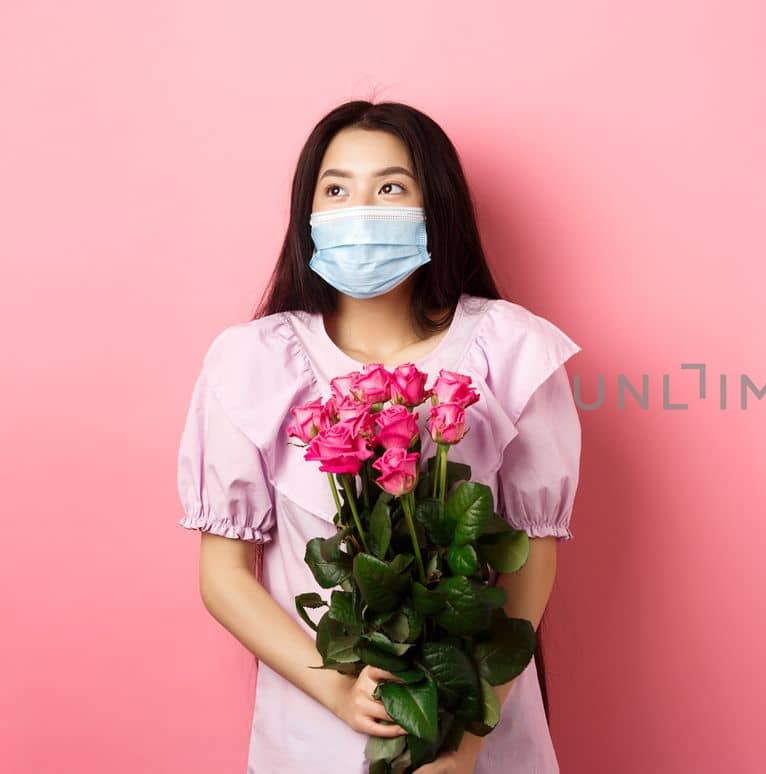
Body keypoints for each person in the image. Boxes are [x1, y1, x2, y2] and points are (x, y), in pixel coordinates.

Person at [176, 99, 582, 773]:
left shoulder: (513, 350)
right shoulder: (250, 362)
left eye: (390, 187)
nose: (360, 210)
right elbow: (223, 575)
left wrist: (466, 739)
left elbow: (532, 562)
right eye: (336, 189)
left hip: (478, 730)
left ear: (435, 206)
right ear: (308, 215)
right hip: (313, 732)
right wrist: (339, 692)